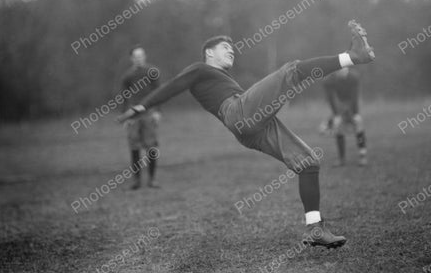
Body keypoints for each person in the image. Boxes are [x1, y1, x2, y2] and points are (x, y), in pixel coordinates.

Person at [117, 20, 375, 248]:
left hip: (249, 128)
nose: (231, 50)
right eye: (224, 47)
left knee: (308, 163)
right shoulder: (199, 69)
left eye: (233, 48)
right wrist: (142, 106)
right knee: (291, 70)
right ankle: (353, 56)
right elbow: (173, 86)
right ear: (209, 53)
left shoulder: (222, 77)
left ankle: (315, 229)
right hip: (238, 113)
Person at [121, 46, 161, 189]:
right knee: (134, 147)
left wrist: (157, 111)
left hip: (149, 113)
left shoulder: (152, 72)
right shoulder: (127, 76)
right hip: (134, 115)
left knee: (151, 147)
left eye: (141, 55)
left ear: (145, 56)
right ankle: (136, 181)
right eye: (136, 56)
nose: (139, 58)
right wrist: (126, 117)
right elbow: (124, 98)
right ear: (132, 58)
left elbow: (159, 92)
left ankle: (152, 180)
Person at [322, 67, 368, 166]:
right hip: (340, 102)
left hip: (353, 101)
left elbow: (355, 96)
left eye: (344, 70)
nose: (341, 72)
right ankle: (341, 159)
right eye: (339, 70)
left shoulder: (353, 77)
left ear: (347, 69)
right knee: (338, 127)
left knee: (358, 125)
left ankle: (362, 156)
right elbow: (331, 98)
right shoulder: (329, 80)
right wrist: (336, 115)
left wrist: (355, 113)